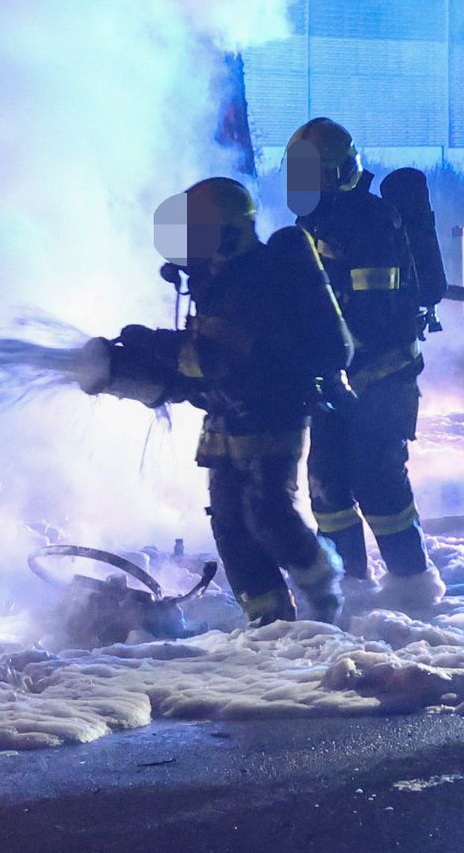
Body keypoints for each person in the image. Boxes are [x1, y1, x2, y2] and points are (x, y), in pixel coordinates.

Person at [147, 176, 352, 625]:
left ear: (229, 231)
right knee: (231, 528)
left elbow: (217, 359)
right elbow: (204, 364)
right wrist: (150, 369)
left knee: (268, 513)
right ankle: (270, 626)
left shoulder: (255, 278)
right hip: (227, 420)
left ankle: (325, 595)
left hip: (272, 415)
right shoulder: (215, 281)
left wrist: (156, 351)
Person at [281, 116, 442, 613]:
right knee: (327, 482)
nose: (304, 186)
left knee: (379, 480)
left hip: (382, 377)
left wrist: (317, 347)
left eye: (314, 175)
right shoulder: (311, 226)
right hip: (335, 383)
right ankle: (351, 584)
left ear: (341, 172)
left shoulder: (371, 222)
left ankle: (413, 585)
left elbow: (370, 316)